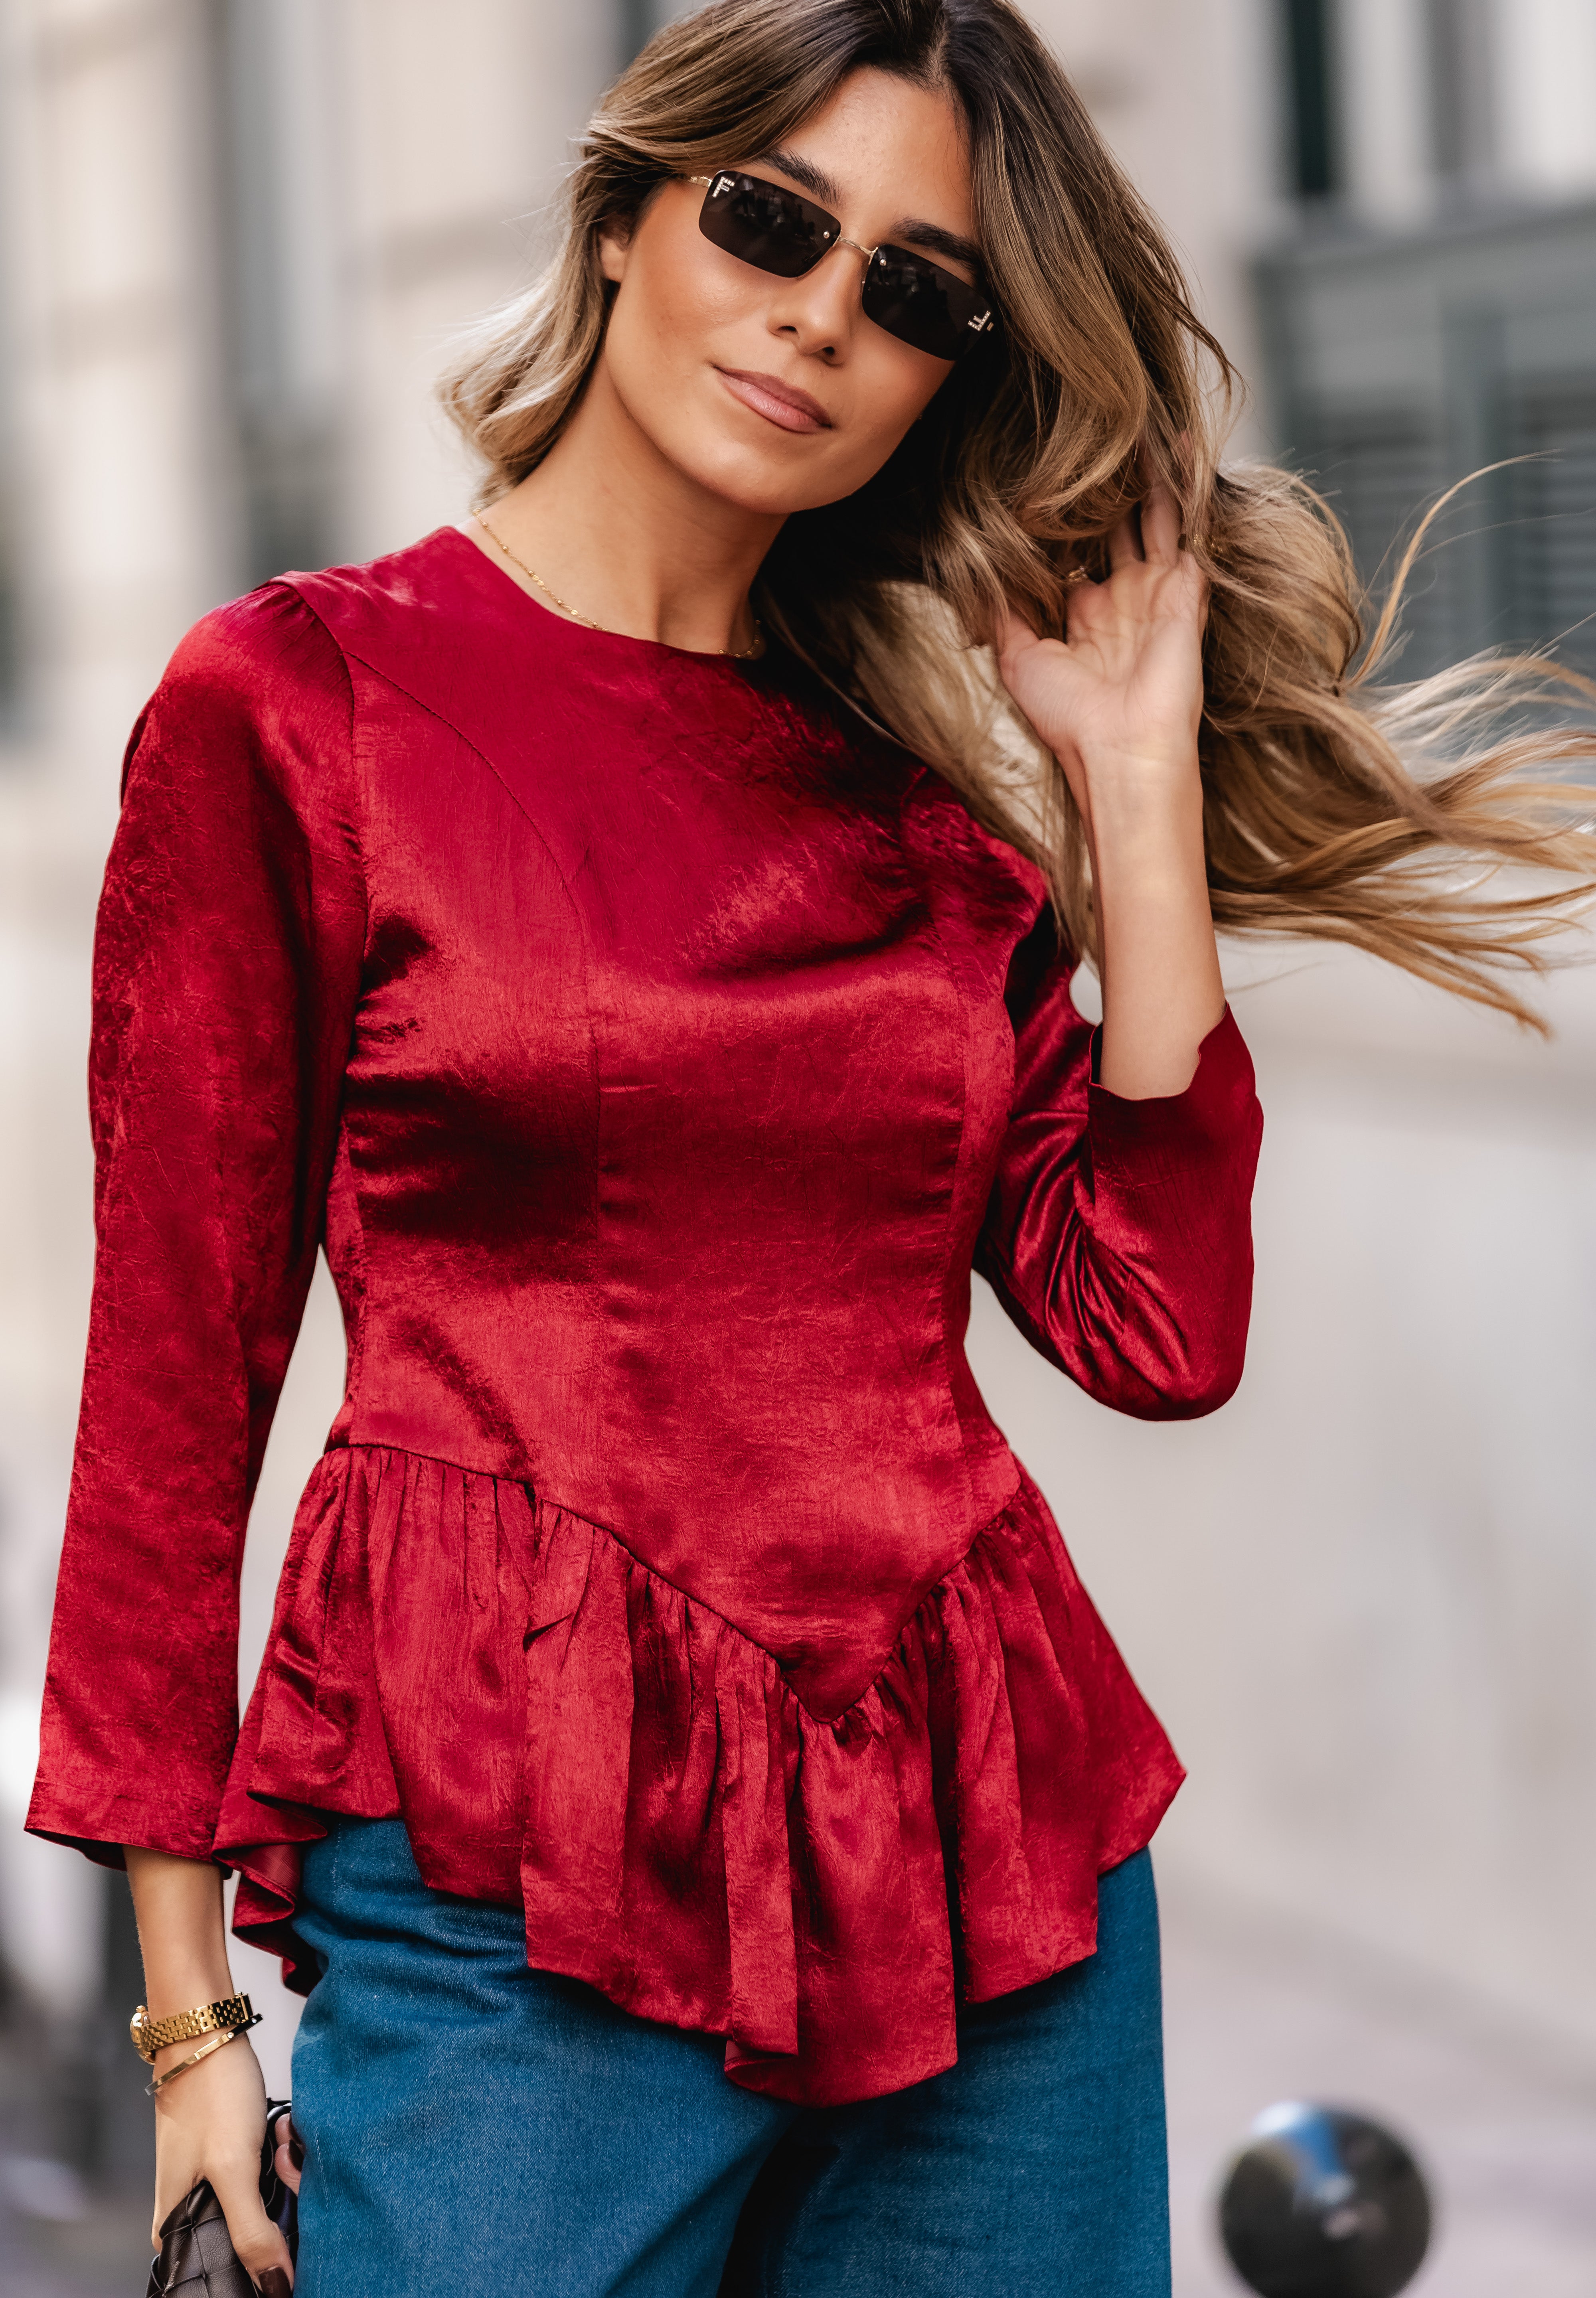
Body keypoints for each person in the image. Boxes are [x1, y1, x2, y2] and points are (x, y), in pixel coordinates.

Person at [26, 2, 1590, 2292]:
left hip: (991, 1864)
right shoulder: (297, 706)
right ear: (628, 210)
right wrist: (185, 2026)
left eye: (917, 293)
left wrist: (1135, 784)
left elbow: (1158, 1327)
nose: (822, 314)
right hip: (507, 1870)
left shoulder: (919, 826)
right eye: (774, 219)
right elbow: (172, 1401)